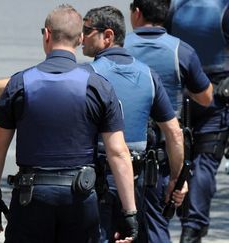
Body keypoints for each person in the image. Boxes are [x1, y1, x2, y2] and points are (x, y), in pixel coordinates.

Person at [0, 4, 138, 243]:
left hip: (31, 198)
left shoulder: (19, 84)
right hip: (79, 198)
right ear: (78, 40)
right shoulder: (98, 87)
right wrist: (129, 213)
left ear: (46, 34)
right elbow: (118, 152)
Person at [80, 6, 187, 243]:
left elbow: (36, 87)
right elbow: (174, 133)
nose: (80, 38)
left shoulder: (86, 74)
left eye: (86, 31)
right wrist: (177, 180)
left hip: (97, 184)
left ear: (107, 36)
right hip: (136, 185)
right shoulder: (148, 75)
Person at [124, 0, 214, 242]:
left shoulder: (120, 46)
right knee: (155, 228)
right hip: (161, 156)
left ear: (137, 13)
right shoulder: (181, 51)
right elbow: (206, 98)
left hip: (119, 151)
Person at [165, 0, 229, 242]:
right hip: (217, 98)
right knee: (204, 164)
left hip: (182, 95)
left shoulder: (175, 7)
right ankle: (192, 228)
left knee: (185, 161)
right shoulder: (223, 8)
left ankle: (188, 223)